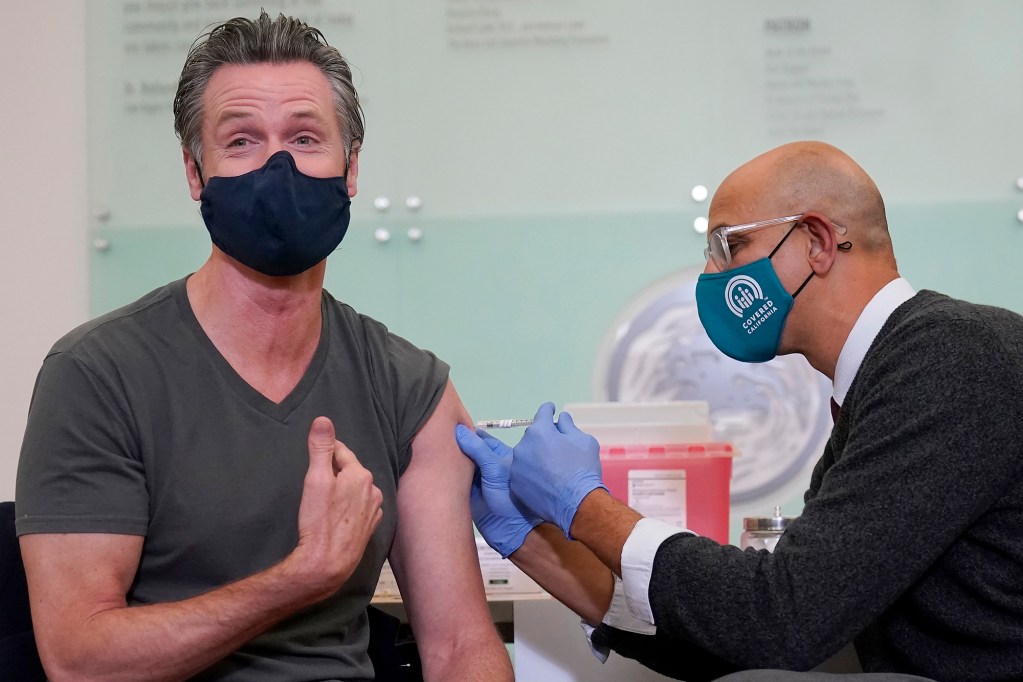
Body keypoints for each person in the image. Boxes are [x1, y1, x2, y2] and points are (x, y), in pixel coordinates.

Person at [15, 12, 512, 682]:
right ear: (195, 174)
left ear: (351, 169)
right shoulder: (99, 376)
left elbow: (459, 648)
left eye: (305, 138)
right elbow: (79, 661)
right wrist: (301, 576)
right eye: (241, 142)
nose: (277, 167)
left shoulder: (408, 388)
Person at [456, 141, 1023, 681]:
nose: (710, 275)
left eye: (729, 247)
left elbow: (782, 619)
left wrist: (585, 506)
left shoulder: (950, 357)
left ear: (817, 241)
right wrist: (532, 539)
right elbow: (747, 638)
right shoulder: (882, 387)